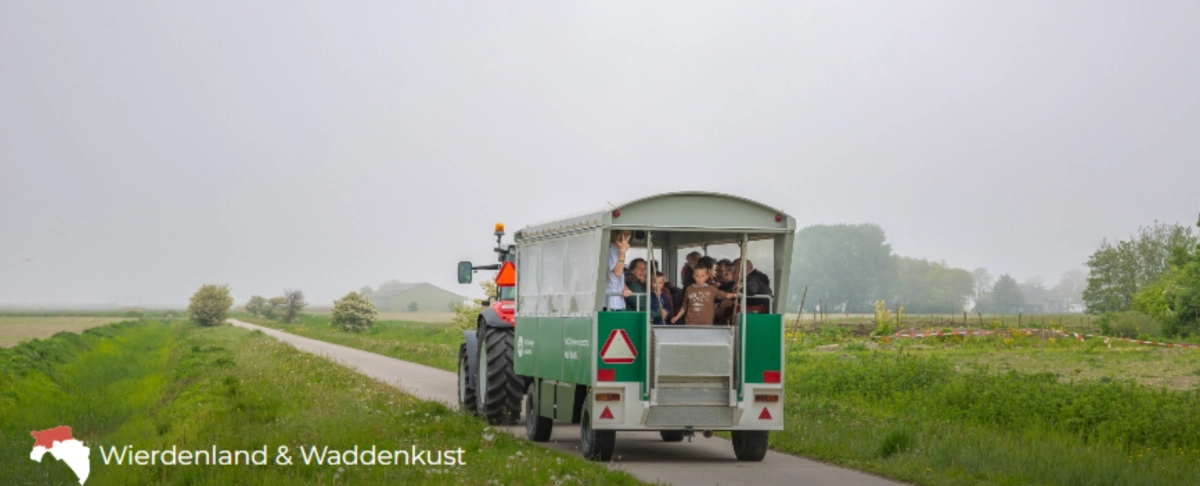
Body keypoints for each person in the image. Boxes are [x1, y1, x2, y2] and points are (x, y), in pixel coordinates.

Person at [671, 261, 739, 325]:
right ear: (693, 276)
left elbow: (724, 295)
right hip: (691, 324)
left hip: (706, 324)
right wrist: (677, 317)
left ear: (707, 276)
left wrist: (736, 295)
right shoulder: (689, 289)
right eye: (697, 276)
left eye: (702, 276)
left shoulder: (712, 289)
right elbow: (684, 306)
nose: (700, 278)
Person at [606, 230, 633, 310]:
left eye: (627, 235)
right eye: (622, 234)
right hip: (610, 302)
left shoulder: (617, 251)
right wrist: (623, 252)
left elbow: (617, 276)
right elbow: (617, 272)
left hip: (619, 301)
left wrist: (624, 287)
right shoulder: (610, 250)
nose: (623, 238)